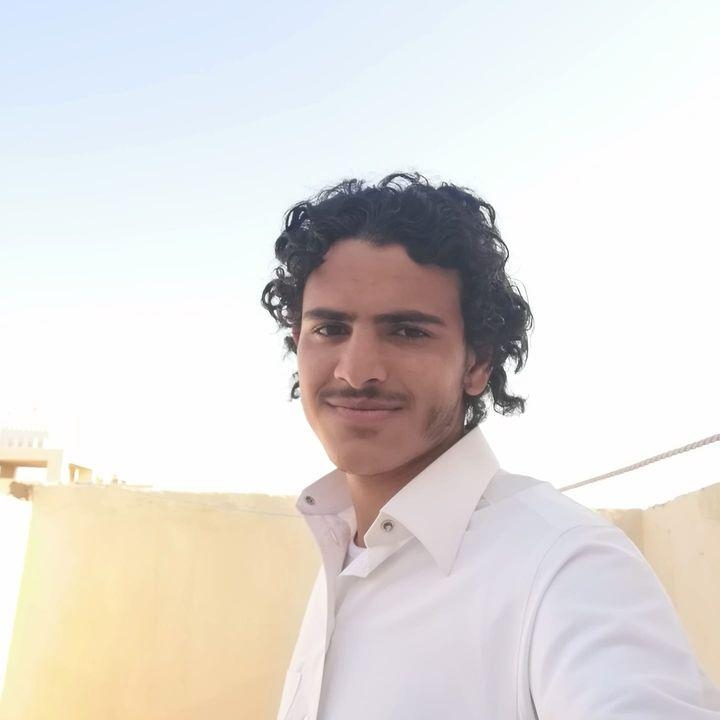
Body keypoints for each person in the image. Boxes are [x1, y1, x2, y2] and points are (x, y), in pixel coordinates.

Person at [261, 172, 720, 719]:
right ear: (298, 343)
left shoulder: (566, 565)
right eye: (330, 329)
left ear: (477, 363)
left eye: (407, 331)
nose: (356, 371)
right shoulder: (341, 546)